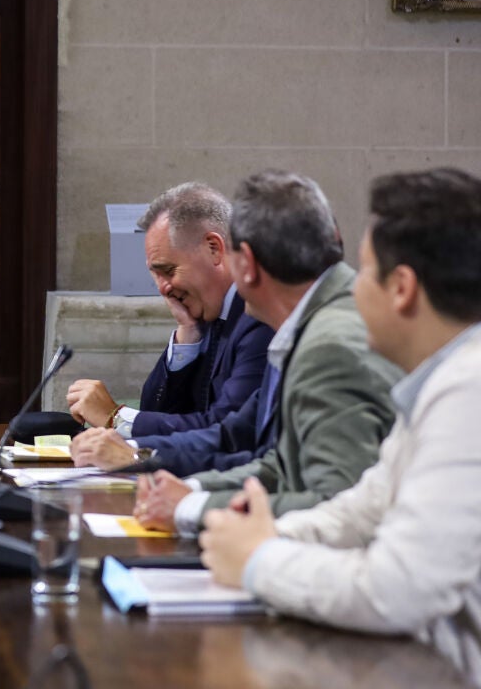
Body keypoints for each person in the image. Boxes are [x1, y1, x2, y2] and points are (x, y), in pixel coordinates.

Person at [199, 168, 481, 686]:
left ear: (402, 289)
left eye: (365, 271)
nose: (352, 287)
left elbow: (395, 589)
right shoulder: (443, 380)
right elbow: (362, 509)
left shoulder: (468, 390)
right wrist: (258, 535)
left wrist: (260, 559)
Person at [126, 170, 400, 534]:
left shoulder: (329, 345)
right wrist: (189, 490)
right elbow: (276, 463)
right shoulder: (306, 324)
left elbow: (334, 501)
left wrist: (192, 507)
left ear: (248, 265)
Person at [66, 183, 272, 441]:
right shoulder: (207, 315)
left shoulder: (261, 316)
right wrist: (188, 337)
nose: (163, 288)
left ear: (214, 248)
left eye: (168, 271)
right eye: (155, 275)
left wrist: (115, 417)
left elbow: (227, 430)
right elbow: (157, 413)